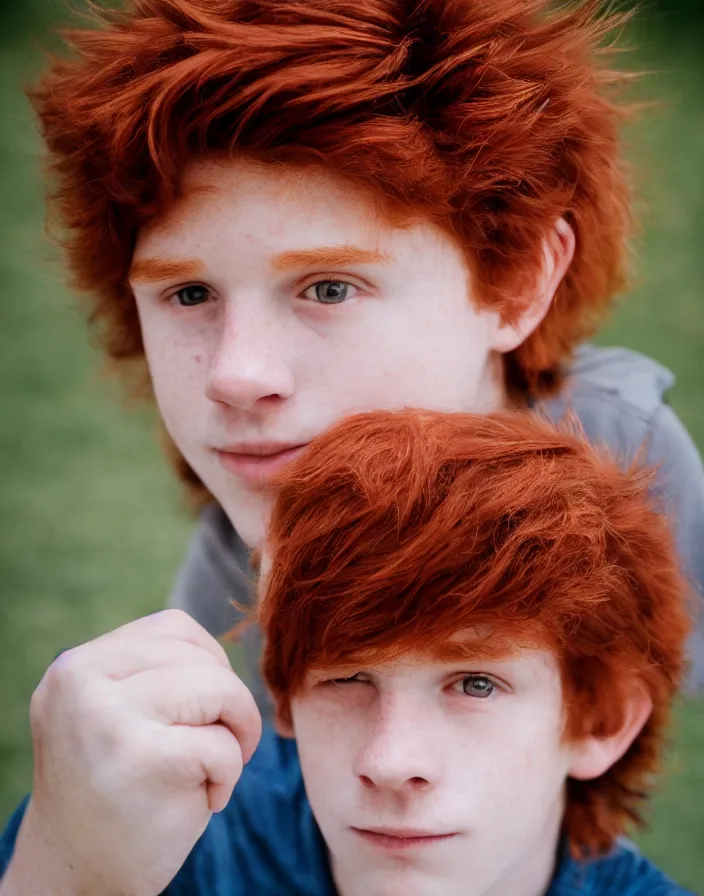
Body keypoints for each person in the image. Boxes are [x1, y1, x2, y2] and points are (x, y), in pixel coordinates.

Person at [24, 0, 704, 699]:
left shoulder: (626, 454)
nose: (236, 376)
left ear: (516, 283)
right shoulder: (254, 521)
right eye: (190, 295)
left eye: (328, 289)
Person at [0, 409, 695, 895]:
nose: (392, 763)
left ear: (599, 721)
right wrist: (65, 872)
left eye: (476, 684)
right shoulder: (156, 843)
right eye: (347, 678)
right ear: (286, 698)